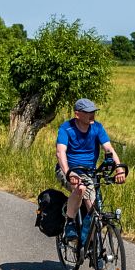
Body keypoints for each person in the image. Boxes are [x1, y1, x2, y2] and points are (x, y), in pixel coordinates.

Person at [55, 98, 126, 241]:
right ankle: (69, 223)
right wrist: (68, 172)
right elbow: (60, 152)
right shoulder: (66, 128)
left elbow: (108, 148)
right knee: (80, 188)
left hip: (90, 172)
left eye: (93, 111)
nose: (92, 115)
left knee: (95, 212)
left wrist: (119, 168)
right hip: (68, 169)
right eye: (88, 112)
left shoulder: (97, 128)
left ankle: (94, 248)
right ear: (77, 114)